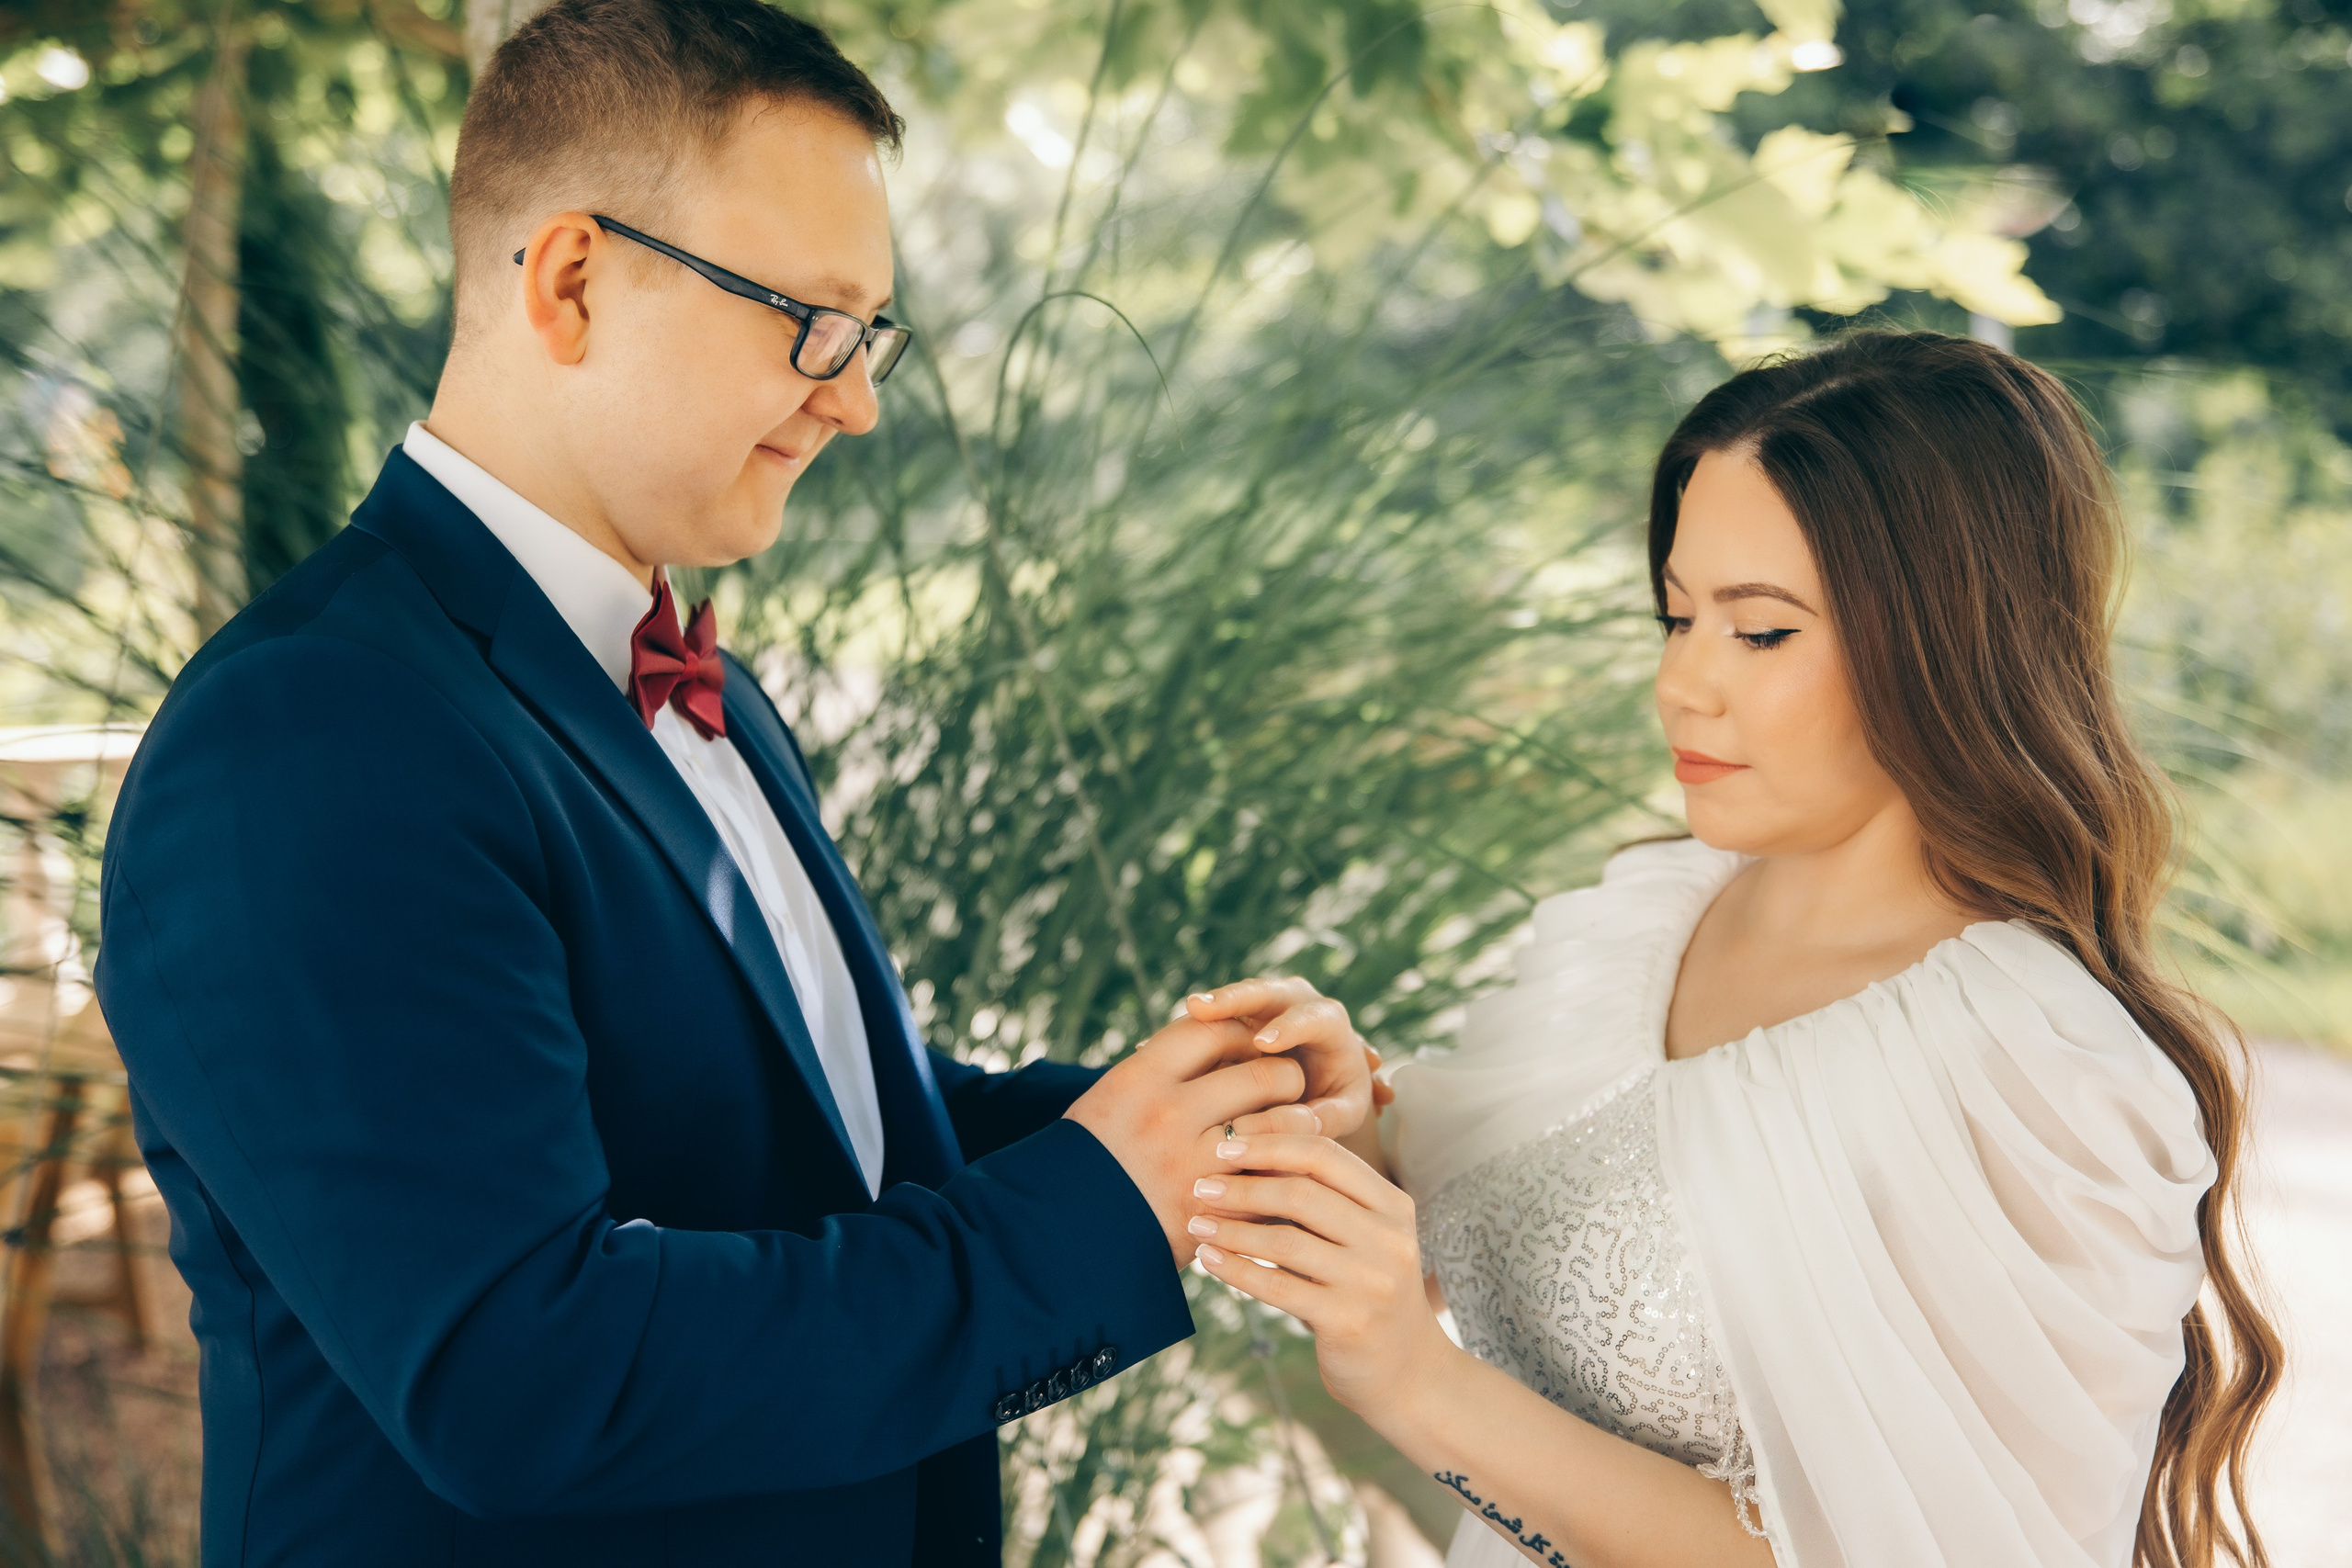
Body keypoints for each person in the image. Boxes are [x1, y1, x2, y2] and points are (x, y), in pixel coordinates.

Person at [92, 3, 1370, 1563]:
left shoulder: (705, 690)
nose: (855, 398)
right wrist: (1095, 1213)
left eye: (870, 336)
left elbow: (810, 1134)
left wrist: (1216, 1134)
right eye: (808, 321)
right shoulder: (310, 739)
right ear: (572, 282)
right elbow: (527, 1380)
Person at [1182, 332, 2281, 1568]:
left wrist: (1423, 1391)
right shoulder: (1644, 921)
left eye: (1758, 635)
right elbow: (1536, 1204)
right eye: (1676, 614)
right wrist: (1359, 1135)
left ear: (1947, 641)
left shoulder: (2035, 1069)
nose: (1683, 684)